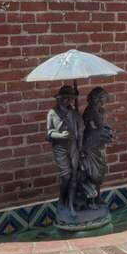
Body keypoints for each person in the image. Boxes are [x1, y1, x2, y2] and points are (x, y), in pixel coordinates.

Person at [76, 86, 115, 212]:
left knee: (100, 172)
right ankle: (90, 200)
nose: (105, 100)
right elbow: (96, 127)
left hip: (99, 144)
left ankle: (98, 197)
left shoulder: (99, 109)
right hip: (91, 145)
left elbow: (102, 126)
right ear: (97, 98)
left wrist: (108, 130)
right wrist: (106, 132)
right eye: (103, 98)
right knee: (93, 173)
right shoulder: (91, 111)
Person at [46, 85, 82, 214]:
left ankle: (71, 203)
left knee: (74, 176)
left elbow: (80, 131)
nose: (68, 101)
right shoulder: (52, 113)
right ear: (59, 99)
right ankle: (62, 198)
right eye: (65, 98)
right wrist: (60, 135)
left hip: (73, 147)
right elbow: (49, 133)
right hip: (60, 148)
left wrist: (80, 145)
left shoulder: (74, 113)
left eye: (70, 99)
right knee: (66, 176)